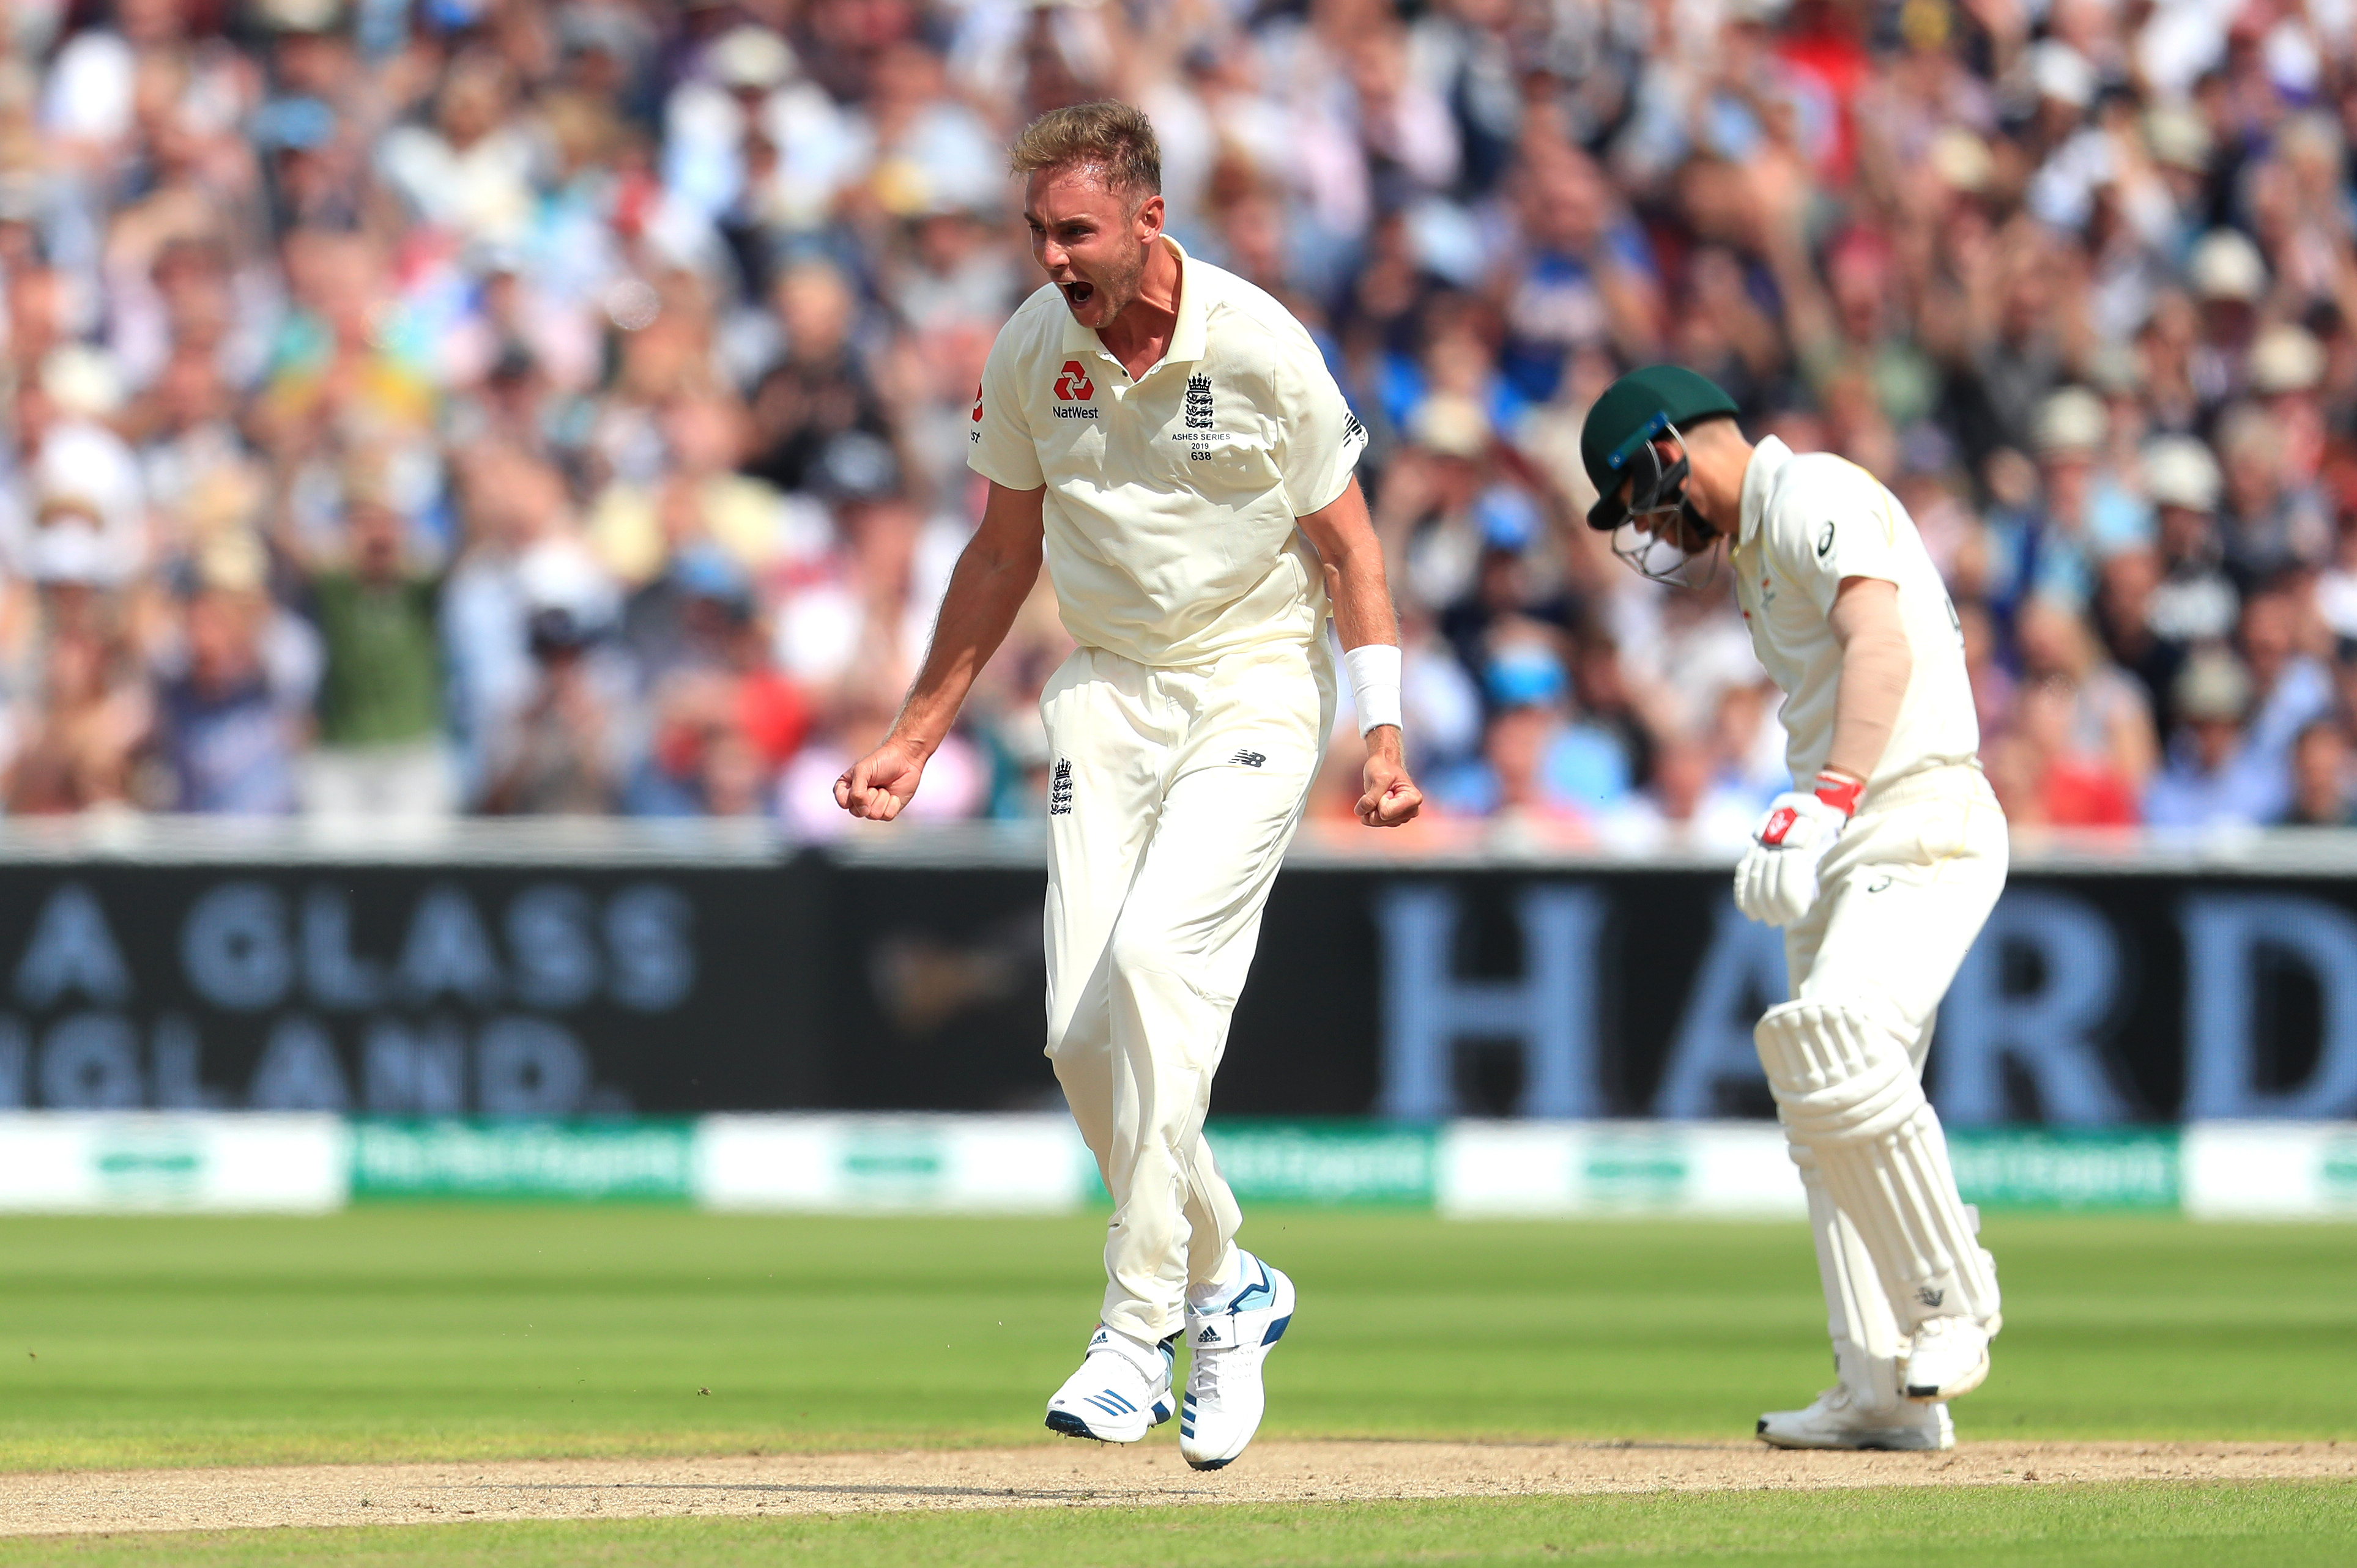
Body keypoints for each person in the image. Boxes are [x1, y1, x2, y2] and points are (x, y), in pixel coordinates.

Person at [834, 102, 1420, 1470]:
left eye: (1075, 231)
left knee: (1159, 966)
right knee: (1077, 1035)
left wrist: (1383, 734)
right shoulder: (1031, 349)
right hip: (1105, 695)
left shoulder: (1260, 344)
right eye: (1035, 231)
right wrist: (917, 734)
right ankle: (1233, 1280)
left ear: (1150, 222)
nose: (1050, 257)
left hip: (1254, 683)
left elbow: (1351, 552)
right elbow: (1000, 555)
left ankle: (1134, 1325)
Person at [1581, 365, 2004, 1454]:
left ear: (1668, 447)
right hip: (1846, 831)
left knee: (1838, 1041)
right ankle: (1879, 1391)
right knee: (1821, 1109)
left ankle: (1951, 1301)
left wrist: (1825, 800)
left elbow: (1881, 644)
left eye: (1637, 498)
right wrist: (1818, 816)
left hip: (1918, 817)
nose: (1645, 526)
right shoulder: (1755, 552)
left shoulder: (1811, 491)